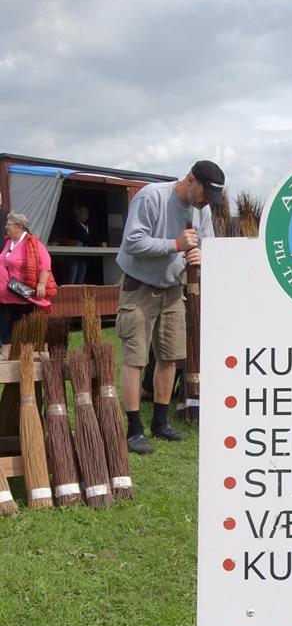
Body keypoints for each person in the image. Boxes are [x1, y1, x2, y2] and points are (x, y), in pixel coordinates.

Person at [116, 159, 225, 454]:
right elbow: (132, 243)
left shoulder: (202, 209)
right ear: (191, 179)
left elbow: (207, 244)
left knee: (170, 356)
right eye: (204, 194)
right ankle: (134, 429)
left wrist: (202, 255)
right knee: (135, 357)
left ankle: (160, 423)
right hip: (139, 286)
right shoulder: (151, 197)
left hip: (173, 288)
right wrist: (175, 245)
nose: (205, 202)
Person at [0, 212, 57, 358]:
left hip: (24, 290)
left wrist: (41, 284)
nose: (5, 227)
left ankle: (39, 351)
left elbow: (46, 265)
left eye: (9, 224)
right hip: (8, 291)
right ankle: (7, 351)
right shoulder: (9, 243)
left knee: (29, 321)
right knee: (6, 319)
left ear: (19, 226)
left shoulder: (33, 243)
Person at [66, 205, 91, 285]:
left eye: (87, 212)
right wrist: (97, 244)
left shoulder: (87, 225)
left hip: (83, 257)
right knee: (72, 281)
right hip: (74, 256)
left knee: (80, 281)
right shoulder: (74, 224)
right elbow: (83, 238)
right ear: (78, 213)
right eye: (84, 211)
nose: (87, 213)